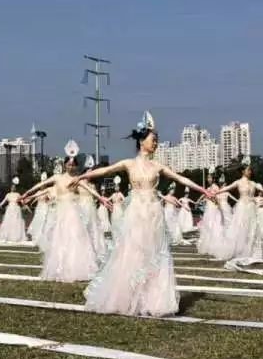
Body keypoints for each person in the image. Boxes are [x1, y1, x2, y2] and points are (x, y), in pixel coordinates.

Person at [72, 112, 212, 316]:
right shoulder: (128, 163)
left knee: (154, 253)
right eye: (153, 139)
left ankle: (153, 299)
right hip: (136, 213)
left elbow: (180, 179)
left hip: (154, 214)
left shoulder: (158, 166)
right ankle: (128, 296)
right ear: (141, 141)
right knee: (132, 251)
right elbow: (105, 171)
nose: (155, 143)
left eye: (156, 140)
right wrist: (82, 176)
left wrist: (202, 189)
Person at [21, 141, 109, 282]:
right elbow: (41, 184)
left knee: (75, 237)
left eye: (73, 165)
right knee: (60, 238)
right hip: (61, 213)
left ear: (76, 166)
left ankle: (76, 268)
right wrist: (27, 193)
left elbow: (89, 189)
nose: (70, 166)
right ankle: (60, 268)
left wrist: (101, 198)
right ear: (64, 165)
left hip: (73, 213)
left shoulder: (76, 179)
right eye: (68, 164)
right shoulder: (57, 177)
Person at [208, 161, 263, 261]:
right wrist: (214, 193)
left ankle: (251, 252)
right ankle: (238, 250)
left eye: (250, 170)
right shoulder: (238, 182)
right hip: (242, 208)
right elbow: (226, 188)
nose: (250, 171)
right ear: (243, 171)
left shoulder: (253, 183)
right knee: (239, 229)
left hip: (251, 208)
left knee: (252, 230)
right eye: (248, 170)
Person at [0, 178, 28, 243]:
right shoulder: (8, 195)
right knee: (8, 221)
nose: (13, 188)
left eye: (14, 187)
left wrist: (26, 206)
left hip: (16, 209)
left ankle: (16, 236)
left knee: (16, 222)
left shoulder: (18, 194)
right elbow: (3, 202)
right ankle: (8, 235)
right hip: (10, 209)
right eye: (12, 187)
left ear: (15, 188)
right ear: (10, 188)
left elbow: (23, 202)